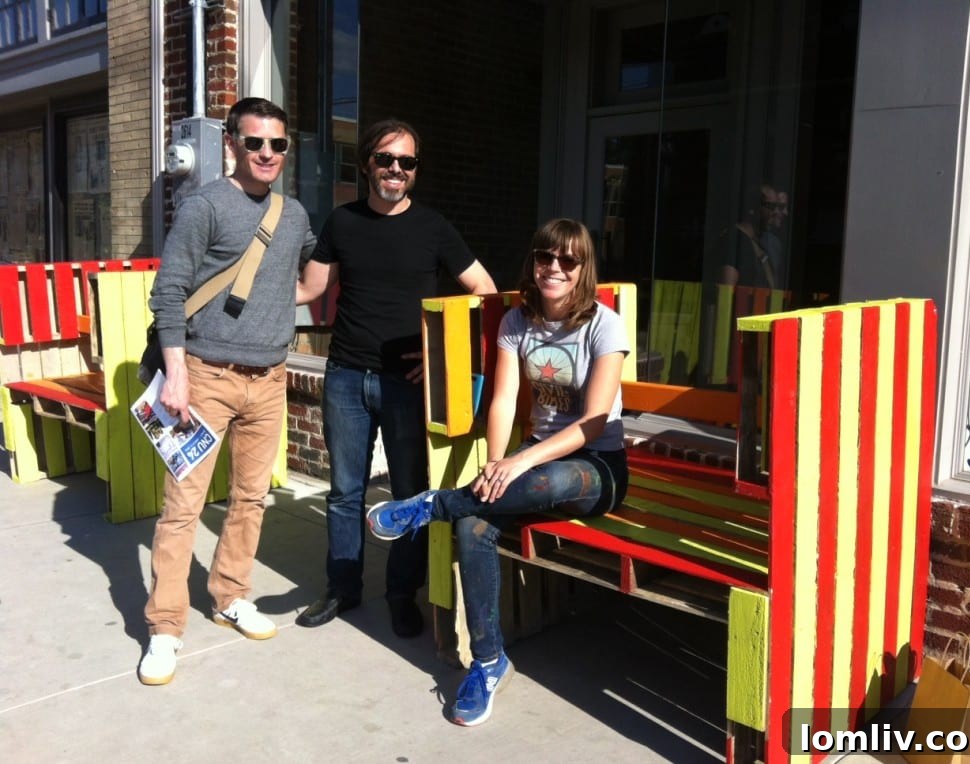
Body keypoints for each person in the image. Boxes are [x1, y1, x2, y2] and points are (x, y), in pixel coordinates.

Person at [365, 218, 630, 726]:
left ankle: (430, 505)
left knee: (547, 480)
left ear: (583, 270)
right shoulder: (517, 321)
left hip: (596, 467)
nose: (554, 268)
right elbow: (504, 399)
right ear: (534, 262)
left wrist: (520, 461)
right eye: (545, 257)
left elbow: (594, 425)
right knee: (473, 524)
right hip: (532, 454)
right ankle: (489, 662)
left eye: (568, 261)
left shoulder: (603, 325)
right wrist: (494, 464)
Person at [138, 97, 317, 685]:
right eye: (255, 142)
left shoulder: (292, 215)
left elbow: (314, 271)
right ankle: (165, 628)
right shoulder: (205, 205)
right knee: (183, 508)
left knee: (249, 500)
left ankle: (231, 594)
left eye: (278, 144)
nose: (267, 153)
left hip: (269, 379)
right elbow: (169, 293)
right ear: (232, 145)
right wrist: (178, 374)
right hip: (205, 377)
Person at [295, 118, 496, 638]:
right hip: (345, 376)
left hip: (408, 385)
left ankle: (402, 593)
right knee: (344, 492)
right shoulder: (342, 222)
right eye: (386, 159)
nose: (396, 170)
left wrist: (443, 355)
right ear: (367, 163)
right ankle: (342, 587)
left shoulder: (433, 227)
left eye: (407, 162)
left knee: (409, 492)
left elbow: (486, 293)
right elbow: (308, 289)